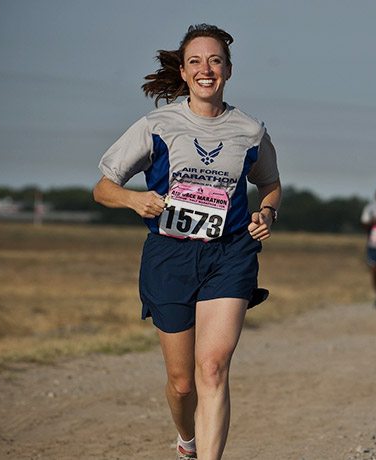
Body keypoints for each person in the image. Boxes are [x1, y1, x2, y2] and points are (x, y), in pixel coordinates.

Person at [93, 24, 281, 460]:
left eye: (215, 60)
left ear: (228, 70)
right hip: (169, 256)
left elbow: (270, 182)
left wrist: (267, 213)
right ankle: (187, 440)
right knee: (182, 383)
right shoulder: (156, 125)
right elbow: (103, 189)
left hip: (229, 254)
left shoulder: (250, 131)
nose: (206, 69)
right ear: (183, 70)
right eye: (196, 61)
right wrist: (133, 200)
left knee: (212, 369)